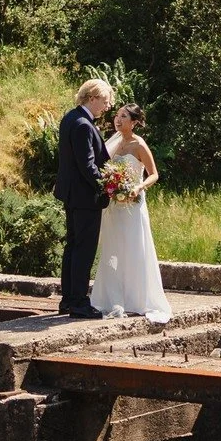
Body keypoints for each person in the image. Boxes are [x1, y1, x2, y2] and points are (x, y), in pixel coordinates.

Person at [91, 102, 172, 323]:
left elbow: (154, 174)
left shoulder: (139, 145)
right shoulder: (115, 144)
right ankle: (112, 297)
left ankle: (136, 298)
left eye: (124, 117)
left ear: (134, 122)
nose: (118, 120)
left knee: (134, 247)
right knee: (113, 249)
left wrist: (138, 187)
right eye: (117, 116)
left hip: (133, 203)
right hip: (115, 205)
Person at [53, 78, 114, 319]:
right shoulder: (83, 125)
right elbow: (87, 166)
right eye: (105, 101)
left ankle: (68, 299)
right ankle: (78, 302)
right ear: (92, 98)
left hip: (72, 195)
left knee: (72, 248)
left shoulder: (70, 118)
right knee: (83, 250)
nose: (106, 107)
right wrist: (107, 186)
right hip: (85, 197)